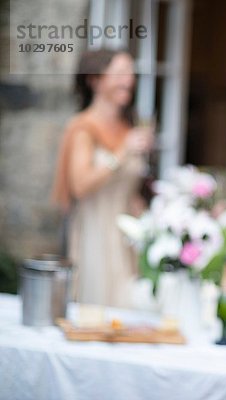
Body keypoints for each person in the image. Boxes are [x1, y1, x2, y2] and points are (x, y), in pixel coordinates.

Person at [52, 49, 154, 308]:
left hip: (127, 239)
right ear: (94, 80)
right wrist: (122, 153)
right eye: (120, 73)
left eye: (130, 73)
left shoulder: (129, 127)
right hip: (95, 234)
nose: (128, 80)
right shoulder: (83, 127)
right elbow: (80, 186)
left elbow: (130, 192)